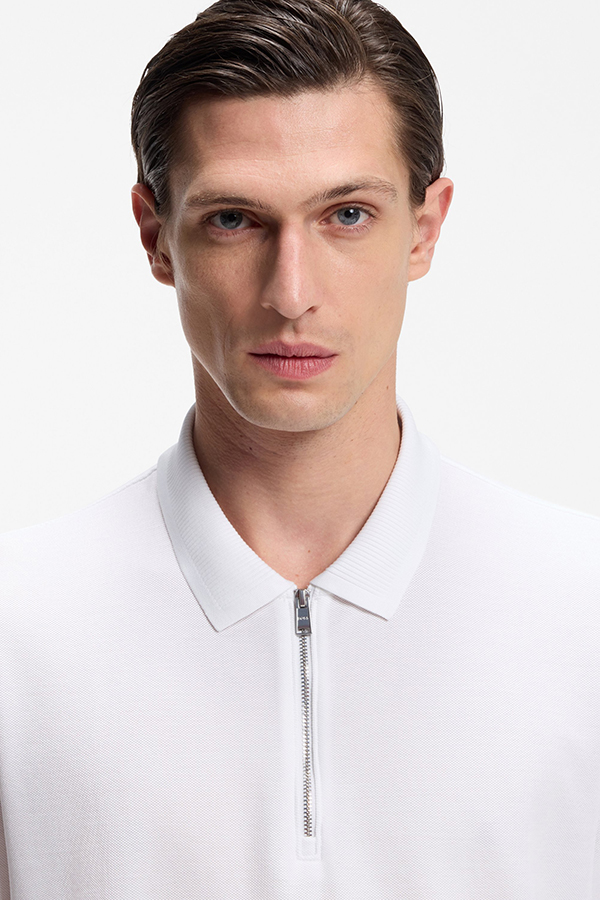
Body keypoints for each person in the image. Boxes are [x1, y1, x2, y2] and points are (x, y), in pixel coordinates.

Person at [0, 0, 599, 897]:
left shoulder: (583, 611)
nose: (291, 293)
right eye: (234, 219)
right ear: (156, 235)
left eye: (346, 214)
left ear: (425, 227)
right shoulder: (16, 631)